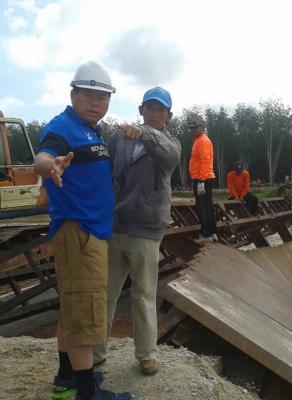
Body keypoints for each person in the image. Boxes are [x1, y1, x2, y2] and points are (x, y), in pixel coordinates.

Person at [34, 61, 132, 400]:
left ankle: (67, 379)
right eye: (89, 95)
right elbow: (41, 158)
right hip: (79, 233)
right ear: (73, 94)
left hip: (91, 232)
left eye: (103, 97)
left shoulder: (91, 131)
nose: (96, 102)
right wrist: (51, 166)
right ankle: (88, 394)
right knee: (85, 314)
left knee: (73, 309)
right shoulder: (62, 127)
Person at [93, 87, 181, 376]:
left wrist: (145, 134)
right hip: (115, 225)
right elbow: (103, 170)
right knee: (106, 293)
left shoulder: (170, 142)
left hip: (146, 228)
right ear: (141, 110)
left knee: (143, 293)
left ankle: (147, 355)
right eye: (150, 108)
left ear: (168, 116)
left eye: (160, 109)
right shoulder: (119, 137)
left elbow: (171, 158)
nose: (154, 113)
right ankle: (95, 352)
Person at [188, 116, 217, 243]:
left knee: (202, 207)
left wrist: (201, 180)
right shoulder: (200, 140)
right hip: (204, 177)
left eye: (194, 128)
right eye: (191, 128)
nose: (192, 130)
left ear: (202, 127)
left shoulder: (202, 141)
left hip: (202, 178)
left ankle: (207, 234)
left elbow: (205, 161)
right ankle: (212, 232)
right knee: (207, 205)